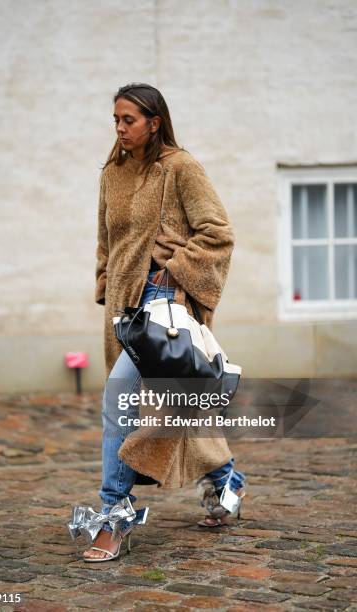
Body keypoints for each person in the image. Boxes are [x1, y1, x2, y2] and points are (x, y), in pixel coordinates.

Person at [82, 83, 246, 561]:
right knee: (175, 410)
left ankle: (114, 514)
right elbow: (104, 239)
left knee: (120, 400)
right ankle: (226, 479)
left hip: (161, 307)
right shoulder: (112, 172)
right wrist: (104, 283)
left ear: (154, 121)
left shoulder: (180, 168)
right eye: (115, 119)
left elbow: (218, 233)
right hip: (123, 310)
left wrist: (174, 268)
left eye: (128, 119)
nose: (119, 128)